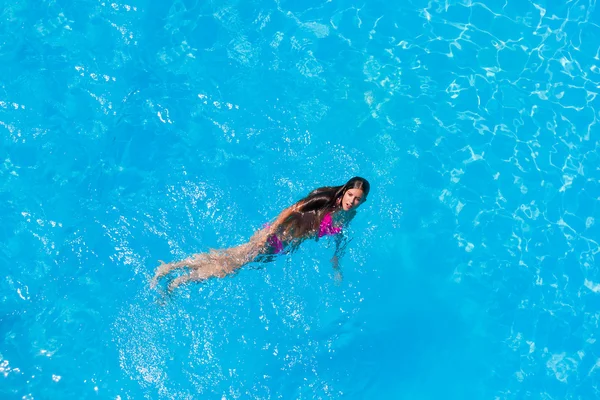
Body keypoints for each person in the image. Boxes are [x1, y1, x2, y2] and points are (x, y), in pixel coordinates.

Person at [151, 177, 370, 291]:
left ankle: (173, 268)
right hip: (278, 236)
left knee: (234, 256)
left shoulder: (348, 215)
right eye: (350, 194)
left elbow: (340, 234)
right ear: (344, 190)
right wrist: (271, 232)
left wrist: (336, 258)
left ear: (363, 201)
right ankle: (178, 280)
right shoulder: (325, 197)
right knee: (233, 265)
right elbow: (292, 210)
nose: (352, 201)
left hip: (286, 243)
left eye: (358, 198)